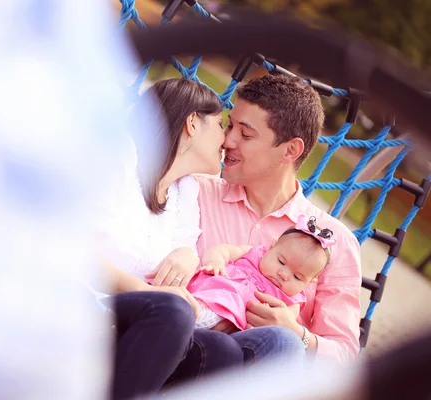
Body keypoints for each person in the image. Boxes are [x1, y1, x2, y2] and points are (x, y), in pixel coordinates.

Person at [196, 74, 361, 365]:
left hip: (260, 376)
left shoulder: (335, 241)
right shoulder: (196, 192)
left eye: (246, 135)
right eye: (230, 126)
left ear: (290, 150)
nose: (228, 141)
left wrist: (297, 334)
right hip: (185, 350)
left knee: (281, 343)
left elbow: (345, 357)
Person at [94, 78, 245, 398]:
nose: (227, 140)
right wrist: (159, 294)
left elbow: (185, 246)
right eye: (221, 125)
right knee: (172, 310)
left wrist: (187, 256)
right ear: (192, 122)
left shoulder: (184, 191)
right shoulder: (120, 158)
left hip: (137, 318)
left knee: (222, 350)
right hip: (86, 299)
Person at [189, 215, 335, 331]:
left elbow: (283, 325)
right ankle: (192, 315)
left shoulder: (293, 302)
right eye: (281, 262)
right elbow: (223, 250)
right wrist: (216, 263)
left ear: (310, 281)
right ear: (271, 247)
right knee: (196, 306)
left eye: (297, 277)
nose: (284, 274)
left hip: (236, 323)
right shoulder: (254, 253)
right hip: (210, 292)